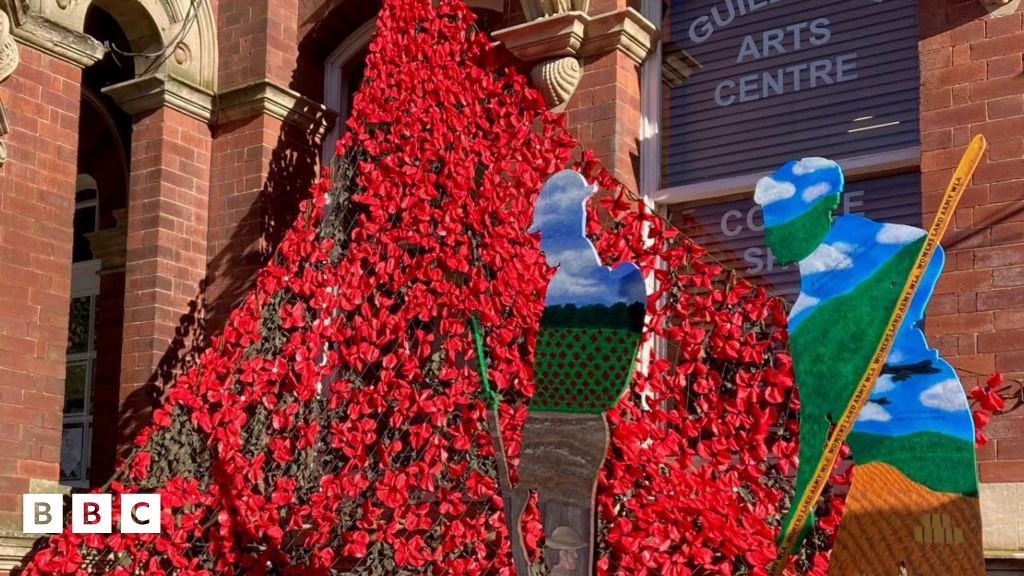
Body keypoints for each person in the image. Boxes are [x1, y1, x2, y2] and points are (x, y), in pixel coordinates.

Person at [755, 158, 984, 575]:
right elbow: (815, 415)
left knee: (944, 557)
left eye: (778, 221)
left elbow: (927, 251)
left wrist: (878, 307)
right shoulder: (804, 314)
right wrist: (802, 504)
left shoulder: (863, 243)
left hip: (929, 424)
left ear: (818, 211)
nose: (770, 237)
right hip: (873, 444)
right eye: (768, 223)